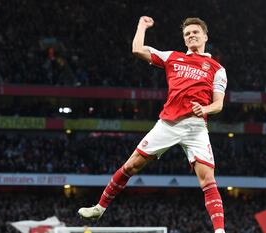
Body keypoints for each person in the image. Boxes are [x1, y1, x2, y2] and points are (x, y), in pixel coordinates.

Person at [78, 16, 227, 233]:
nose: (191, 35)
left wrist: (205, 109)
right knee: (130, 166)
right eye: (187, 34)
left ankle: (220, 231)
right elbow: (137, 49)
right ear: (184, 40)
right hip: (167, 124)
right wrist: (141, 26)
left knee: (208, 180)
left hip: (196, 127)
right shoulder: (172, 58)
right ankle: (100, 208)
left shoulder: (217, 69)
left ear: (205, 36)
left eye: (195, 32)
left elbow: (219, 104)